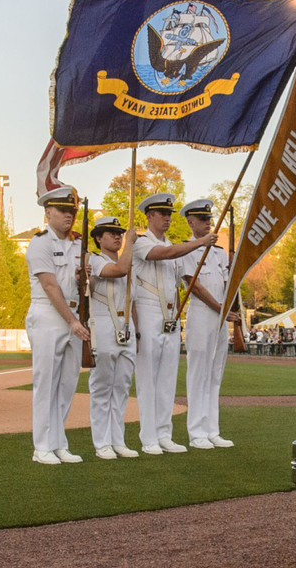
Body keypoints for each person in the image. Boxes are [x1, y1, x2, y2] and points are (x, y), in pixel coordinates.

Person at [129, 190, 210, 455]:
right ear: (150, 215)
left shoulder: (172, 243)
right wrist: (199, 243)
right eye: (162, 214)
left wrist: (176, 316)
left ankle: (164, 433)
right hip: (148, 310)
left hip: (170, 316)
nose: (166, 218)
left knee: (166, 379)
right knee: (148, 378)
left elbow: (176, 282)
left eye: (169, 214)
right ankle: (148, 437)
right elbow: (164, 254)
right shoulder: (141, 243)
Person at [23, 185, 90, 465]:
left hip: (73, 314)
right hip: (49, 315)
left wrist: (85, 277)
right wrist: (72, 321)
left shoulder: (77, 244)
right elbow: (49, 285)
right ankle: (42, 447)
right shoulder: (40, 243)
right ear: (48, 212)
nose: (69, 216)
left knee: (66, 385)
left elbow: (86, 284)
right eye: (63, 210)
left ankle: (58, 442)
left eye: (72, 211)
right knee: (46, 382)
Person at [178, 197, 235, 449]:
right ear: (191, 222)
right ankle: (197, 432)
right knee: (199, 373)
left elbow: (225, 283)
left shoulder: (219, 253)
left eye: (209, 219)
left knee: (215, 374)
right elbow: (194, 286)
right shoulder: (187, 249)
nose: (208, 223)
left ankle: (213, 429)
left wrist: (229, 308)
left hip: (220, 317)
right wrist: (219, 308)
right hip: (202, 314)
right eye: (202, 219)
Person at [83, 214, 137, 460]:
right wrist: (130, 245)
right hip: (104, 325)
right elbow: (119, 270)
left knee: (122, 387)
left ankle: (118, 439)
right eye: (111, 233)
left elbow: (132, 298)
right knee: (103, 387)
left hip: (126, 327)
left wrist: (137, 330)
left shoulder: (128, 259)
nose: (118, 236)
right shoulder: (93, 261)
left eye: (120, 233)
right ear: (98, 237)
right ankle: (102, 442)